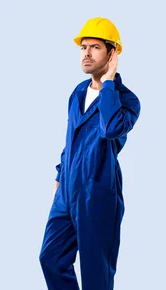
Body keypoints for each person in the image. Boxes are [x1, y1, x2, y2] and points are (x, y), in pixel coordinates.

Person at [39, 17, 141, 290]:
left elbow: (110, 128)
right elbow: (71, 139)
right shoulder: (77, 93)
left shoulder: (128, 100)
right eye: (83, 47)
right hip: (67, 193)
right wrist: (60, 177)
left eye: (95, 47)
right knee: (50, 258)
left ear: (112, 53)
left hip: (97, 194)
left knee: (96, 274)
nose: (86, 53)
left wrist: (108, 83)